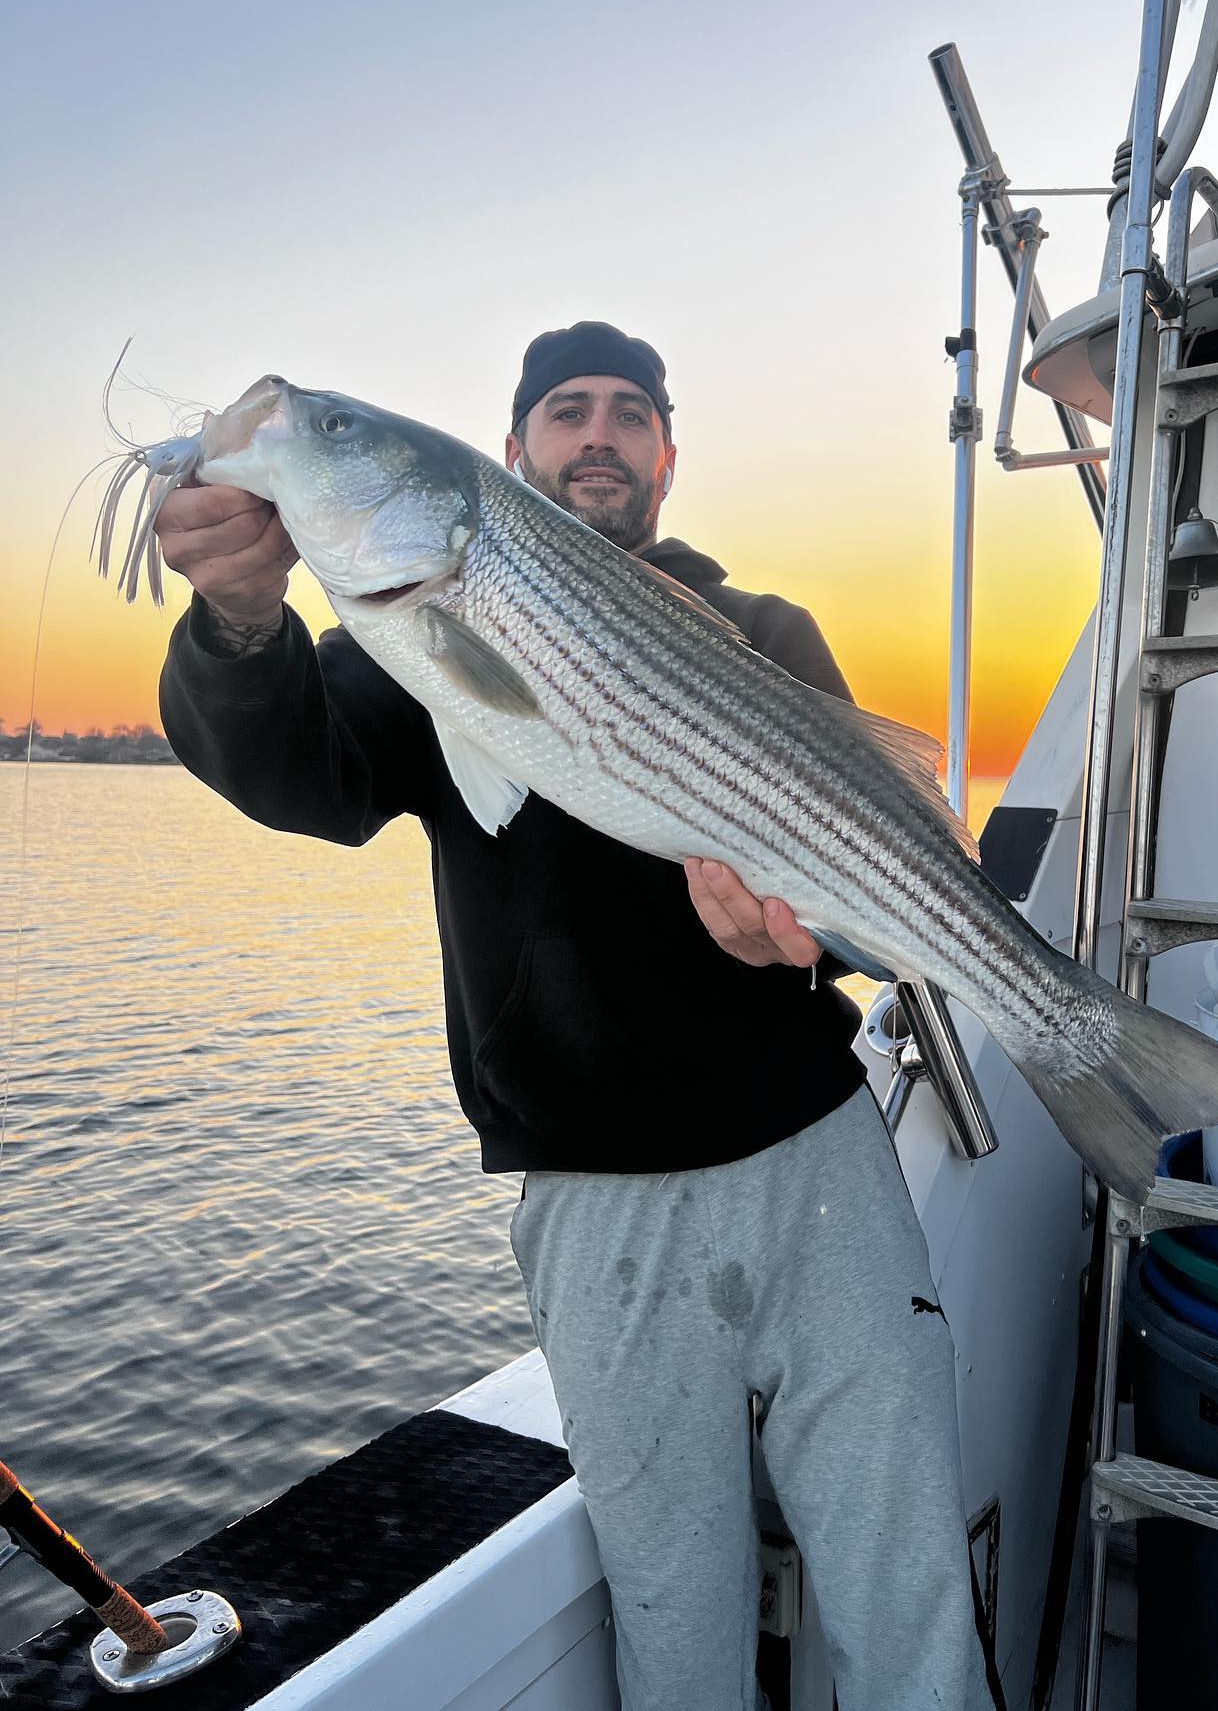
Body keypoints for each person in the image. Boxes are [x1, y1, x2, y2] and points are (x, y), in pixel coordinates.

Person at [155, 321, 989, 1710]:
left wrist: (805, 949)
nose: (598, 433)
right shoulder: (410, 637)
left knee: (904, 1567)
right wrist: (240, 625)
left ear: (666, 456)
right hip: (594, 1195)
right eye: (565, 411)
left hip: (819, 1161)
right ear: (509, 456)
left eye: (627, 413)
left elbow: (856, 903)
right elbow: (300, 770)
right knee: (673, 1597)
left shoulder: (768, 630)